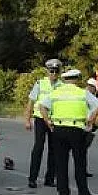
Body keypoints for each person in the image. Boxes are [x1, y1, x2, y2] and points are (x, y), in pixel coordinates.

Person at [39, 68, 98, 195]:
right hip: (76, 130)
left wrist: (48, 121)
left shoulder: (56, 93)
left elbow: (42, 106)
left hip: (59, 129)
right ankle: (83, 192)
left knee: (61, 161)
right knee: (80, 161)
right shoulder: (82, 93)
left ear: (64, 79)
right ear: (77, 79)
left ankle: (63, 192)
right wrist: (90, 120)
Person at [24, 58, 62, 188]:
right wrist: (27, 119)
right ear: (47, 71)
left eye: (56, 72)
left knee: (54, 149)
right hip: (40, 118)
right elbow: (31, 101)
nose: (53, 74)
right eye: (51, 71)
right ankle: (32, 178)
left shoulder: (62, 85)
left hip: (55, 120)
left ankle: (50, 178)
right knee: (38, 147)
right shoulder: (40, 83)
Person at [84, 77, 98, 176]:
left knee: (83, 149)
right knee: (81, 149)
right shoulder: (86, 96)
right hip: (84, 124)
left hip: (88, 124)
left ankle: (83, 170)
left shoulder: (90, 96)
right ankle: (81, 170)